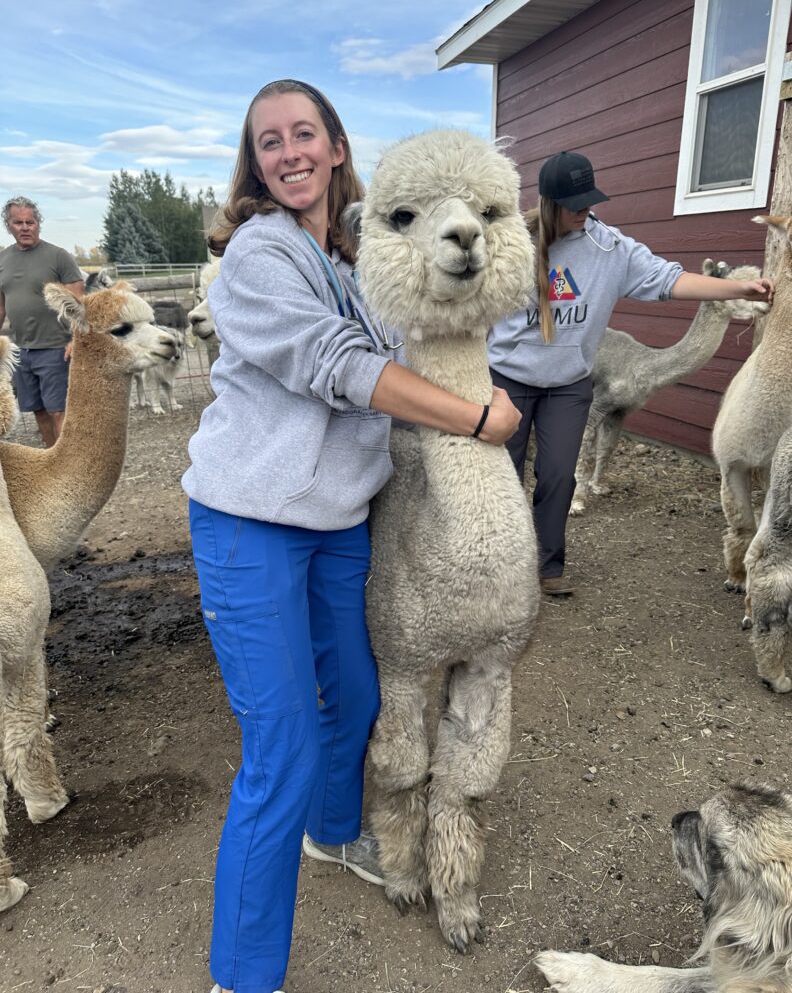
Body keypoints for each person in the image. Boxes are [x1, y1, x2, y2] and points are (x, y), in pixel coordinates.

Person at [181, 79, 521, 993]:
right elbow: (336, 364)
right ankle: (243, 975)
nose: (290, 153)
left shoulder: (350, 254)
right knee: (282, 745)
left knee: (361, 694)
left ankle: (334, 836)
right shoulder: (260, 252)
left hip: (336, 520)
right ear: (256, 163)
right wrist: (472, 416)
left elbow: (419, 339)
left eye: (305, 134)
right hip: (252, 521)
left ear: (335, 146)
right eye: (270, 142)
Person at [488, 150, 773, 599]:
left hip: (567, 383)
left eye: (589, 201)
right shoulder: (508, 245)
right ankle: (495, 567)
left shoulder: (610, 247)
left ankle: (547, 566)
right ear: (549, 202)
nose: (584, 211)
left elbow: (669, 279)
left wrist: (737, 287)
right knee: (501, 474)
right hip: (507, 379)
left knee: (559, 476)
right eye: (573, 204)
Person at [0, 197, 84, 447]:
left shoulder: (59, 257)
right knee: (38, 410)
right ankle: (51, 458)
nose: (25, 227)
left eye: (31, 222)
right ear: (8, 226)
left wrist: (76, 338)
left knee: (59, 411)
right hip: (22, 349)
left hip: (56, 347)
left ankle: (68, 463)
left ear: (38, 224)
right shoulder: (3, 260)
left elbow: (79, 303)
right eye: (18, 223)